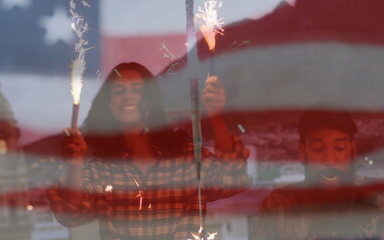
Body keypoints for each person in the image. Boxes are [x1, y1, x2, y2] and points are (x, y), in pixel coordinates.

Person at [47, 62, 249, 240]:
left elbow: (231, 180)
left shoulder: (185, 156)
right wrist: (74, 165)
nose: (128, 97)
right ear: (107, 105)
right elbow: (71, 214)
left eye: (137, 90)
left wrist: (216, 115)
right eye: (118, 91)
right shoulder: (102, 169)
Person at [251, 104, 384, 240]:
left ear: (352, 150)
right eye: (318, 149)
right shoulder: (278, 206)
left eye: (339, 148)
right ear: (302, 153)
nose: (329, 159)